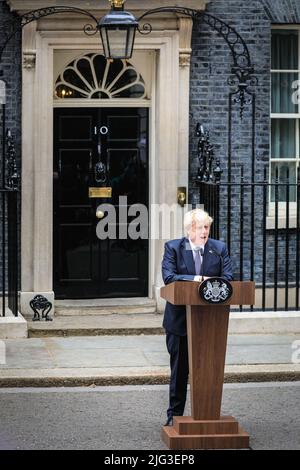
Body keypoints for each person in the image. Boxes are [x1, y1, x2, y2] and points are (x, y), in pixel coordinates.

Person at [161, 208, 233, 426]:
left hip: (211, 322)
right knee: (180, 371)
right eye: (199, 227)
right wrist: (197, 279)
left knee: (209, 369)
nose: (204, 231)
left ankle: (207, 415)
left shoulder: (219, 249)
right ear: (189, 229)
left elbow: (228, 278)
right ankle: (174, 415)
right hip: (180, 322)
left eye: (207, 227)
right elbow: (169, 277)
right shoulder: (173, 247)